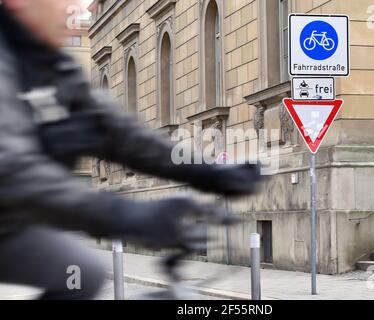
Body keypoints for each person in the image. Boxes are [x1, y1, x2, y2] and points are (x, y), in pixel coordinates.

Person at [0, 0, 261, 299]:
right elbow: (13, 170)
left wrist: (205, 171)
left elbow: (118, 134)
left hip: (10, 227)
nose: (74, 10)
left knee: (82, 272)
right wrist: (124, 213)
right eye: (60, 1)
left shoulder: (51, 67)